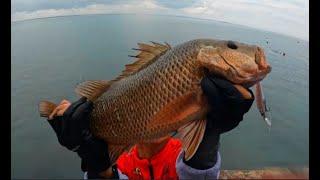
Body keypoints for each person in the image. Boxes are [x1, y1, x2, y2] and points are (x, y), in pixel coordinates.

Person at [47, 75, 254, 179]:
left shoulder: (183, 154)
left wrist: (208, 139)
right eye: (146, 106)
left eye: (164, 105)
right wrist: (98, 169)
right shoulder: (120, 160)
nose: (154, 113)